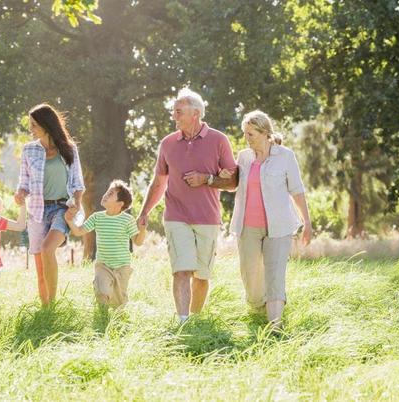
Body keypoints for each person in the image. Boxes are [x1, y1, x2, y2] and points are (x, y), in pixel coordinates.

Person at [138, 88, 238, 323]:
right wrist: (144, 212)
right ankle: (183, 321)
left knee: (202, 276)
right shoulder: (168, 143)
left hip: (207, 217)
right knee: (181, 270)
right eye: (173, 111)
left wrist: (207, 179)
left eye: (178, 111)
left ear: (196, 113)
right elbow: (159, 182)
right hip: (176, 216)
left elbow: (233, 182)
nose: (174, 116)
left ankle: (195, 320)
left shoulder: (219, 140)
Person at [219, 109, 312, 331]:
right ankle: (258, 311)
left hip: (278, 227)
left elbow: (297, 191)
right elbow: (235, 185)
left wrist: (306, 222)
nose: (246, 138)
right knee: (250, 275)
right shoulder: (244, 157)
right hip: (247, 227)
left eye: (251, 134)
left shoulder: (285, 156)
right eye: (245, 133)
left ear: (264, 133)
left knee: (275, 274)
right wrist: (226, 177)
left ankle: (275, 326)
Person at [14, 103, 85, 305]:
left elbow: (78, 183)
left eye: (34, 125)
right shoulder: (29, 150)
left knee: (47, 249)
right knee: (40, 268)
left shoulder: (68, 149)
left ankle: (53, 303)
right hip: (37, 211)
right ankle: (46, 310)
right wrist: (20, 193)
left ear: (46, 125)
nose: (31, 129)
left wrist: (76, 205)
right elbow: (24, 183)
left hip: (62, 209)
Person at [65, 180, 147, 308]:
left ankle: (117, 323)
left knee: (118, 302)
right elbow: (79, 231)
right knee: (102, 291)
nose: (106, 195)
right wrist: (70, 221)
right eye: (107, 192)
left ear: (120, 204)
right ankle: (102, 317)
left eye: (111, 193)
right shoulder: (97, 217)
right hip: (103, 264)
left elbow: (138, 241)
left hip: (122, 266)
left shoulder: (127, 220)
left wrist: (142, 229)